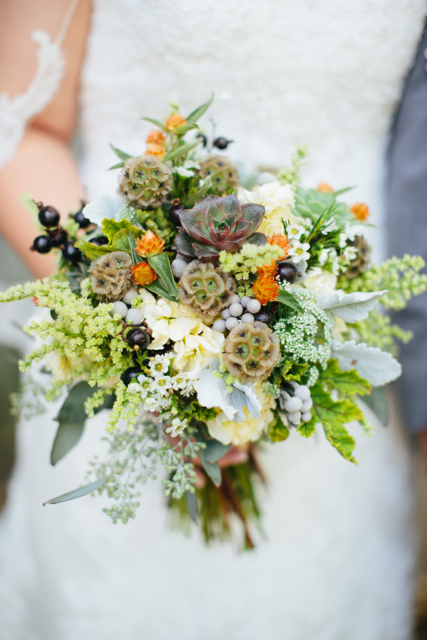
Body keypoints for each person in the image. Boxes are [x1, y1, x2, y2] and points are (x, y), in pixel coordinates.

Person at [0, 1, 425, 638]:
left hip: (346, 355)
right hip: (128, 325)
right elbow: (20, 124)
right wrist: (131, 334)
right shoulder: (130, 330)